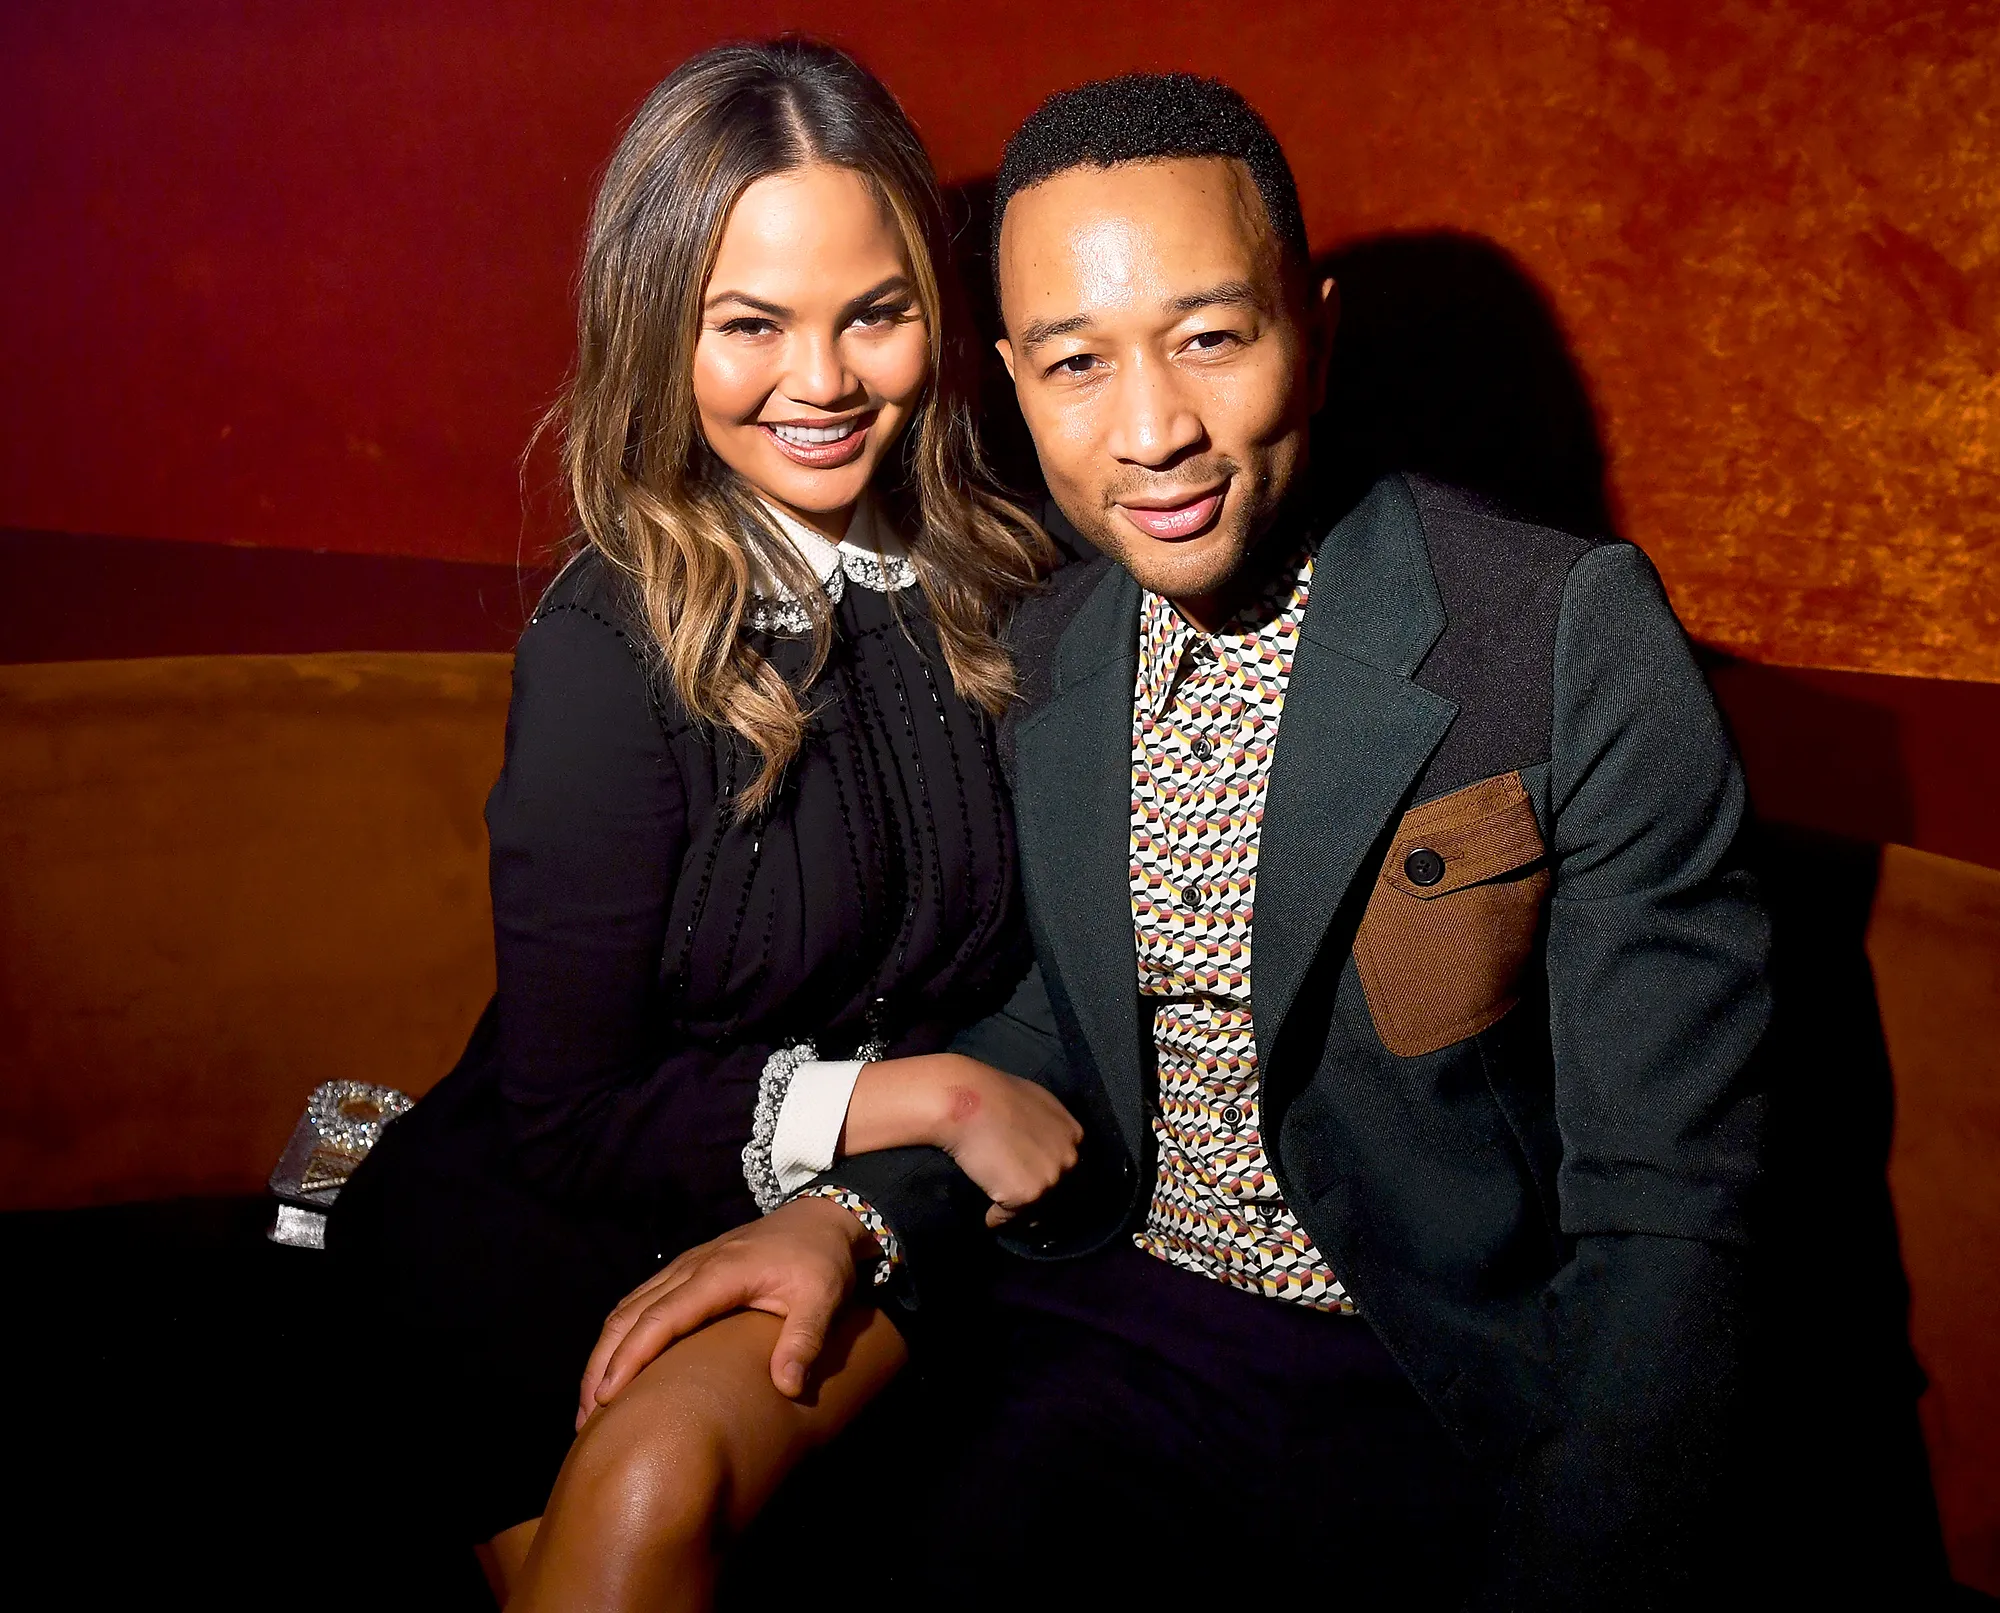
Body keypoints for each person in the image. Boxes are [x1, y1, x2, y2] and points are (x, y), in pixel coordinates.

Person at [563, 73, 1776, 1609]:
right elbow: (1052, 1025)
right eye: (1077, 364)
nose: (1153, 432)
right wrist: (853, 1214)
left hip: (1426, 1383)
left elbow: (1670, 1209)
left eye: (1212, 338)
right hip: (1096, 1328)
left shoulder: (1561, 633)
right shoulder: (1052, 643)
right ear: (1008, 380)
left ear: (1312, 334)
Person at [325, 38, 1082, 1606]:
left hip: (840, 1229)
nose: (822, 383)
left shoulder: (1019, 588)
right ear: (660, 334)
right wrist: (927, 1097)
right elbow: (569, 1113)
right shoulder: (610, 645)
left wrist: (884, 1176)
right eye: (751, 325)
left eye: (874, 313)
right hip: (530, 1241)